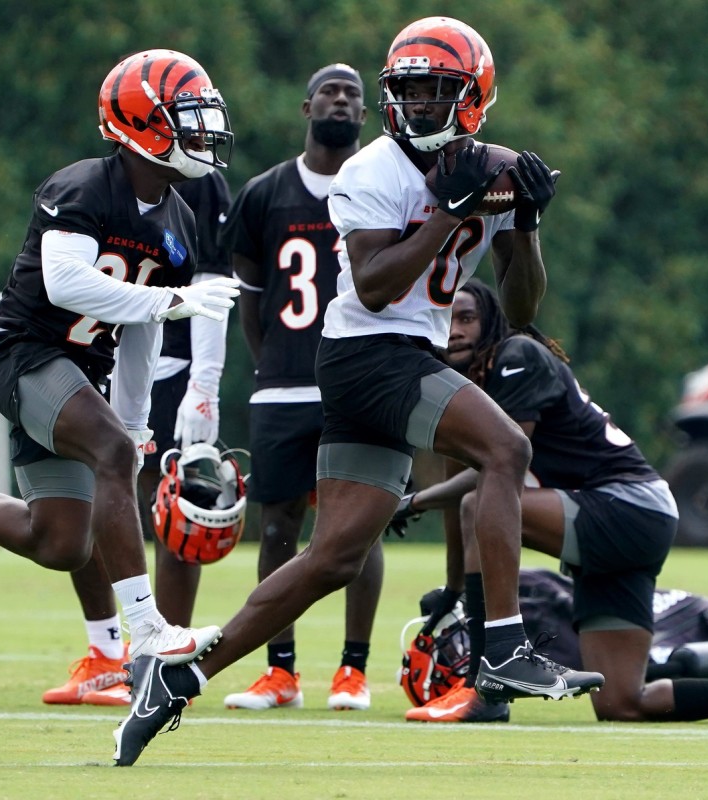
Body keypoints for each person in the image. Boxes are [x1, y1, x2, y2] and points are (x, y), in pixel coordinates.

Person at [112, 17, 604, 767]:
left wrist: (527, 222)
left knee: (334, 555)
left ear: (473, 98)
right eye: (409, 91)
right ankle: (503, 648)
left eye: (440, 93)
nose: (422, 106)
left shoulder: (491, 169)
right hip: (367, 353)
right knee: (507, 446)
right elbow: (374, 288)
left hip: (394, 355)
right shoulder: (370, 171)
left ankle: (178, 677)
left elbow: (525, 308)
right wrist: (451, 210)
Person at [0, 51, 240, 684]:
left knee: (60, 542)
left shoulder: (180, 219)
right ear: (143, 124)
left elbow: (142, 332)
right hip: (19, 350)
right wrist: (170, 301)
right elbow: (64, 285)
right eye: (187, 118)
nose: (202, 132)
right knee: (110, 451)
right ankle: (147, 632)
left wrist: (137, 421)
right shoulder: (83, 187)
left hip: (78, 372)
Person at [396, 279, 708, 726]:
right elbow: (483, 488)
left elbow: (498, 476)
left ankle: (487, 693)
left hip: (628, 509)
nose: (455, 330)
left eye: (467, 318)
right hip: (627, 519)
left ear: (492, 322)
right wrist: (453, 589)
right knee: (623, 703)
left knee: (479, 503)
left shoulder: (516, 355)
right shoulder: (476, 387)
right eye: (448, 320)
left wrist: (414, 500)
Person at [217, 63, 382, 712]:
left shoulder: (381, 183)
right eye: (330, 92)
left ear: (364, 115)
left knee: (357, 529)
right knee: (279, 526)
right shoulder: (264, 193)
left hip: (363, 377)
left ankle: (353, 669)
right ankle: (280, 671)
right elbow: (251, 301)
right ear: (306, 105)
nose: (340, 100)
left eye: (353, 95)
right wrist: (275, 367)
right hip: (286, 382)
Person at [40, 170, 233, 708]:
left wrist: (205, 383)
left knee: (178, 513)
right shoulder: (95, 185)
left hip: (166, 362)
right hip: (91, 355)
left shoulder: (193, 190)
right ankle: (106, 653)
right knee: (91, 496)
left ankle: (162, 658)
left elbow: (211, 287)